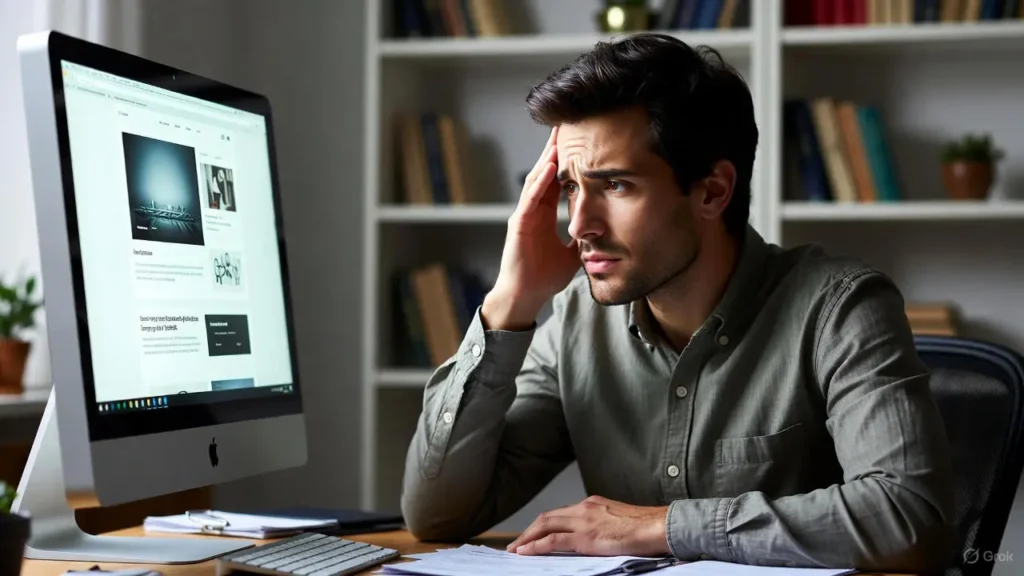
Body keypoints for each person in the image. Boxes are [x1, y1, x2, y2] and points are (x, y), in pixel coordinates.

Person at [400, 33, 955, 573]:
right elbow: (438, 516)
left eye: (614, 185)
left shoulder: (840, 308)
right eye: (570, 188)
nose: (580, 225)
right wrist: (509, 301)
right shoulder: (576, 320)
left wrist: (660, 527)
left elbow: (910, 517)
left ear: (713, 191)